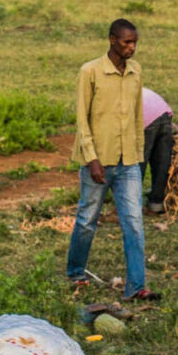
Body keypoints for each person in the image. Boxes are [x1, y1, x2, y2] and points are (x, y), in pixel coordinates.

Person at [67, 19, 153, 300]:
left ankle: (136, 287)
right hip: (98, 161)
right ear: (112, 40)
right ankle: (76, 272)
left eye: (135, 42)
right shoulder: (90, 71)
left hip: (128, 161)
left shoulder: (135, 71)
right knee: (87, 219)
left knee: (134, 223)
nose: (132, 47)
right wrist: (91, 158)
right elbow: (82, 118)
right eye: (127, 42)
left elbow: (138, 115)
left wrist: (138, 156)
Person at [141, 88, 174, 216]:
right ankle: (157, 204)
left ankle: (131, 206)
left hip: (145, 117)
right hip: (163, 111)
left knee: (137, 163)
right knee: (162, 162)